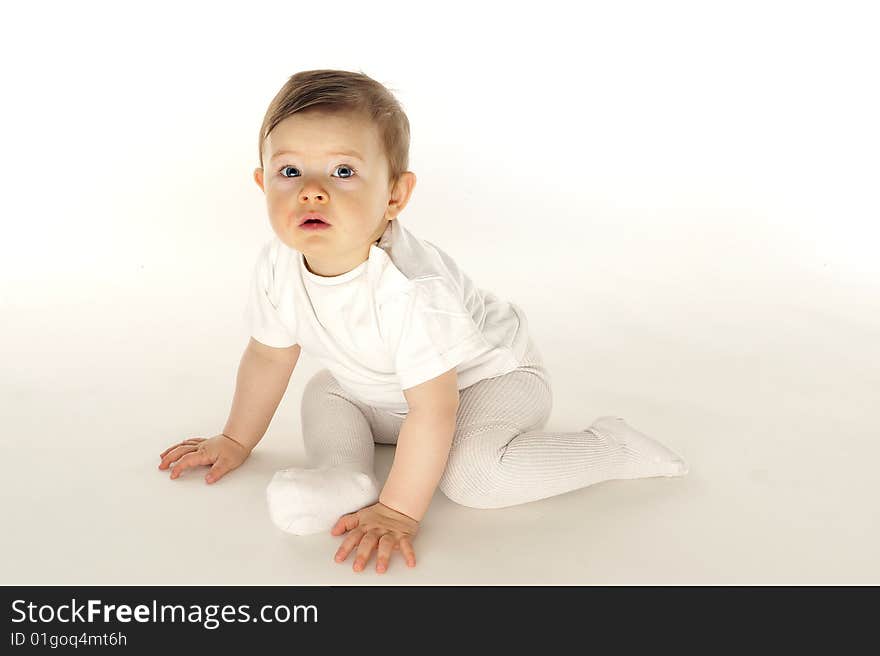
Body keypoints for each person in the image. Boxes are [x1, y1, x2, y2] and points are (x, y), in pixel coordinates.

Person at [157, 69, 688, 574]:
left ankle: (610, 447)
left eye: (343, 172)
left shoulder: (410, 291)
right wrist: (235, 439)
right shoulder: (278, 263)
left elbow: (434, 409)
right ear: (262, 182)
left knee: (474, 479)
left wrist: (399, 511)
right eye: (290, 171)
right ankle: (342, 475)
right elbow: (271, 355)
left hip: (485, 381)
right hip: (388, 386)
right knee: (326, 392)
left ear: (395, 196)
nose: (311, 190)